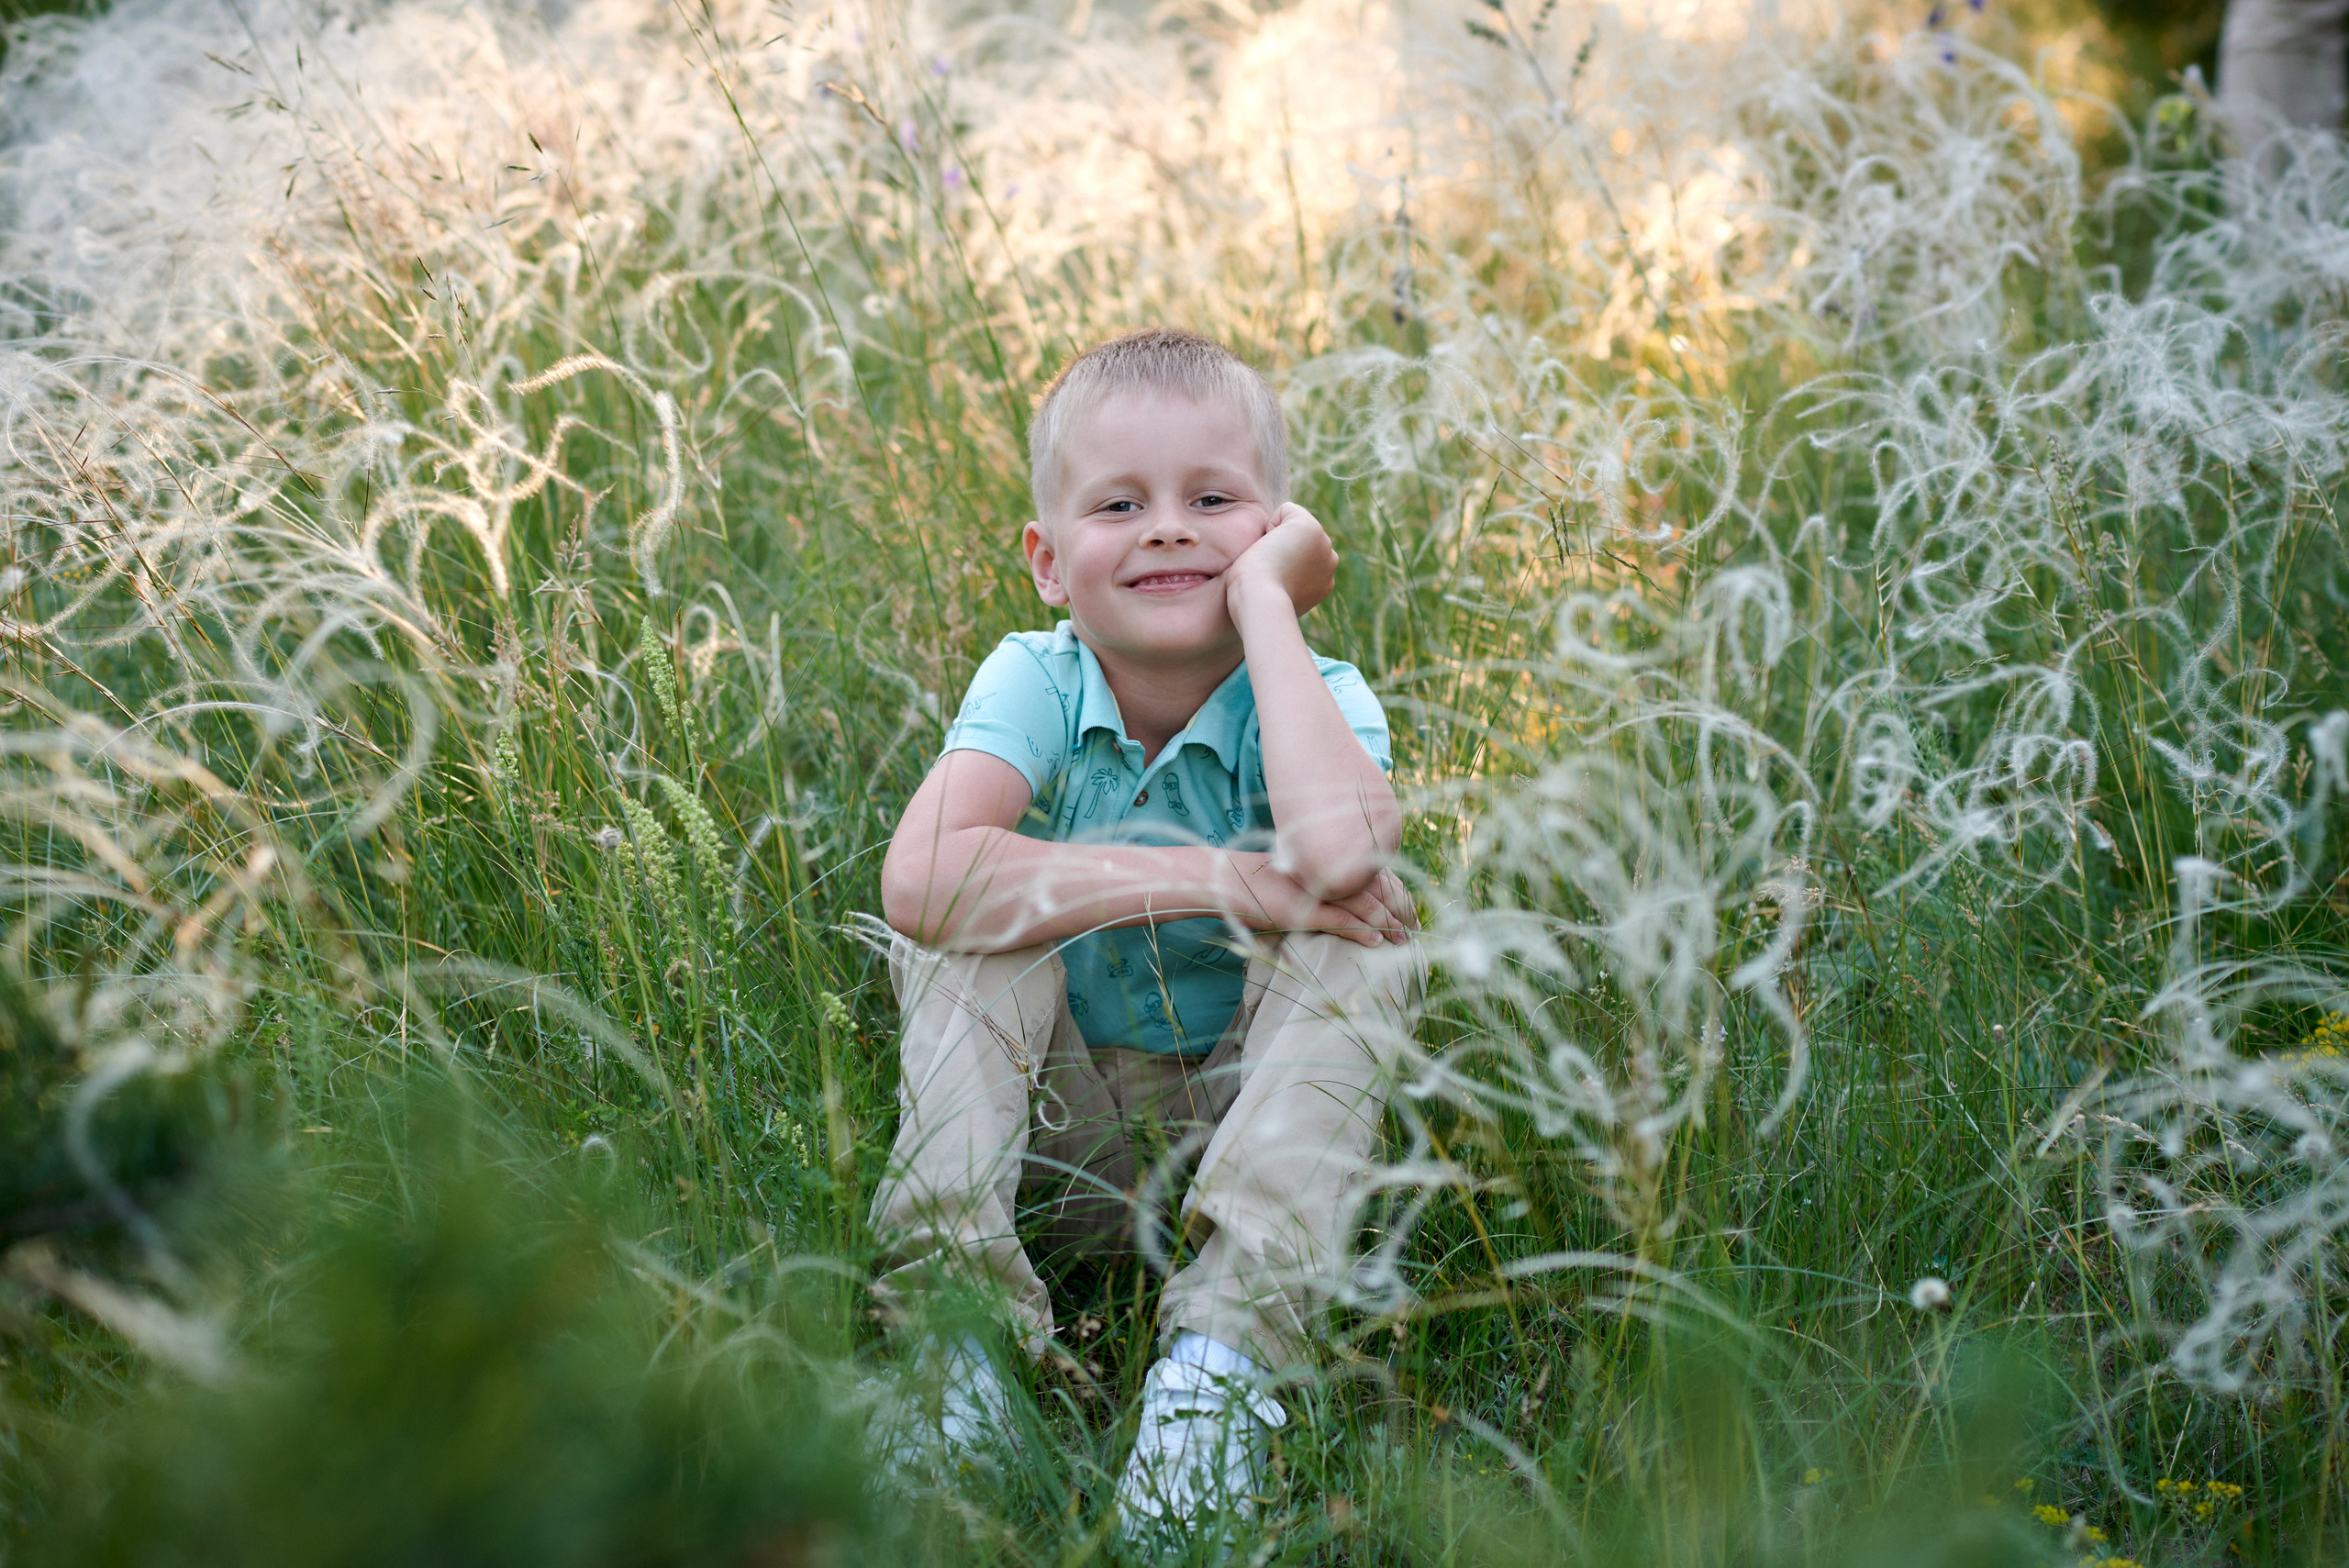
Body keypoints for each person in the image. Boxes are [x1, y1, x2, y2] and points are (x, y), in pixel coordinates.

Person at [867, 328, 1421, 1534]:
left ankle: (1219, 1373)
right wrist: (1226, 877)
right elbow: (917, 879)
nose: (1169, 527)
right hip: (1055, 1155)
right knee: (974, 907)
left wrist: (1269, 608)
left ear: (1278, 532)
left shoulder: (1322, 697)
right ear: (1050, 560)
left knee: (1365, 937)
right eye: (1121, 503)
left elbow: (1338, 862)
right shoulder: (1036, 677)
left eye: (1213, 500)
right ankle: (957, 1349)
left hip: (1240, 1147)